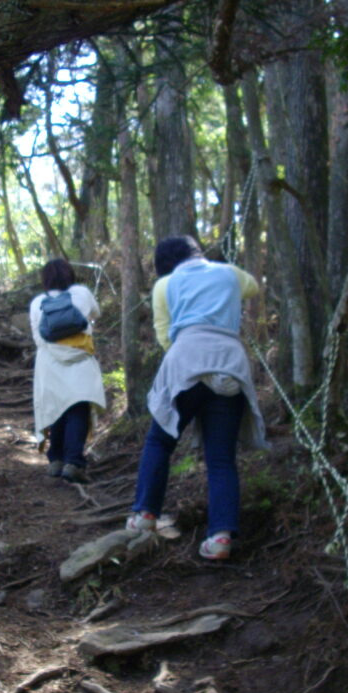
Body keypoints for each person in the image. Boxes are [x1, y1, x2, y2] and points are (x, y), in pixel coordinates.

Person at [126, 236, 268, 559]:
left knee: (160, 441)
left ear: (165, 265)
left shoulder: (166, 284)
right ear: (197, 252)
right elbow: (254, 287)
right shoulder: (229, 273)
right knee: (221, 458)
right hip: (230, 364)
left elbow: (165, 335)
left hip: (186, 360)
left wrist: (189, 362)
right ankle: (220, 536)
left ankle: (146, 514)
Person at [30, 258, 106, 483]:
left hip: (48, 362)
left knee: (56, 409)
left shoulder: (37, 303)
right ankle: (74, 462)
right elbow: (96, 314)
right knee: (78, 409)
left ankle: (56, 460)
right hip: (80, 359)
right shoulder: (81, 293)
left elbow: (38, 338)